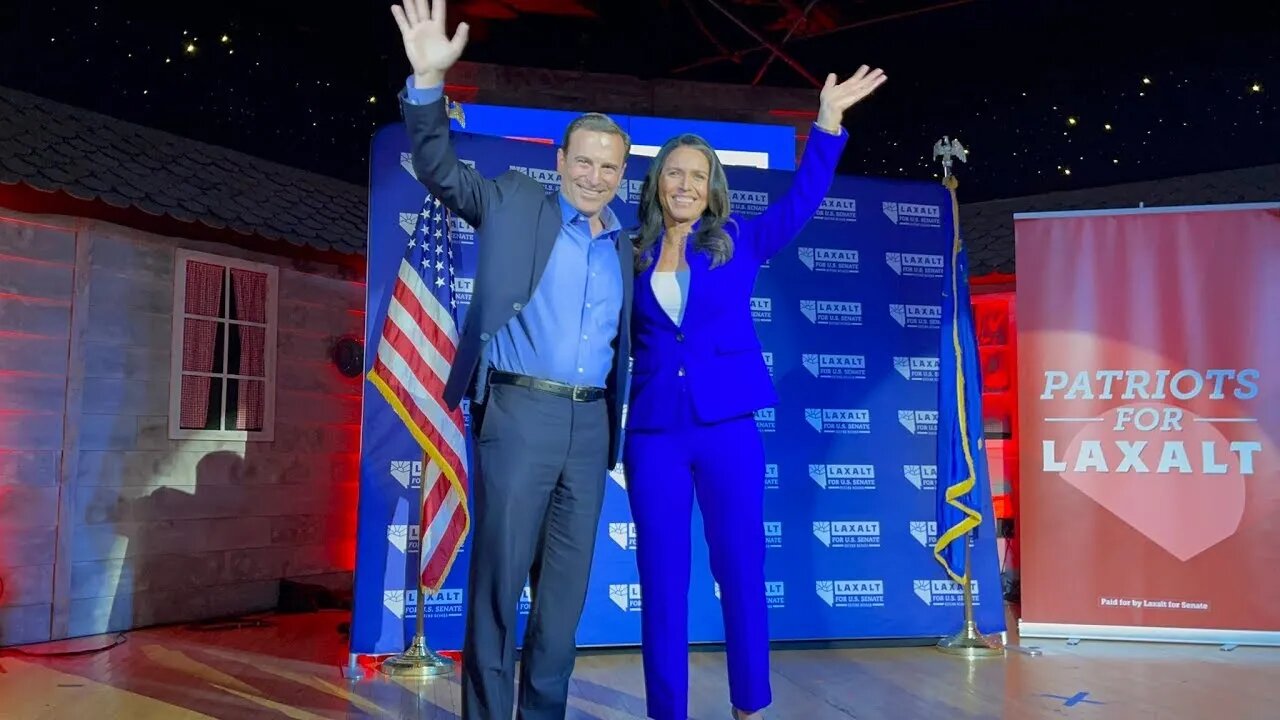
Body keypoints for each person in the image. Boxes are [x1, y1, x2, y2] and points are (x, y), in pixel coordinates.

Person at [389, 1, 634, 718]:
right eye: (582, 161)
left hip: (590, 431)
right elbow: (437, 167)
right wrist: (427, 83)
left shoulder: (625, 242)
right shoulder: (510, 200)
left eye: (609, 166)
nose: (594, 176)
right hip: (518, 415)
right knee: (497, 593)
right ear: (559, 162)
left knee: (562, 607)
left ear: (623, 174)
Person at [622, 66, 887, 720]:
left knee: (739, 573)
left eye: (697, 174)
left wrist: (825, 126)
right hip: (653, 435)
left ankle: (751, 706)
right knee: (661, 584)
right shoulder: (626, 251)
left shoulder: (740, 242)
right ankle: (667, 712)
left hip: (727, 430)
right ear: (657, 183)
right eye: (674, 173)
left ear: (713, 187)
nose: (685, 184)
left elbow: (802, 200)